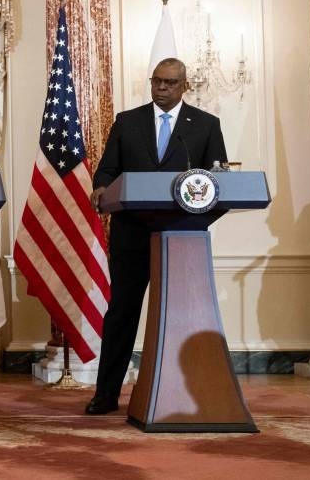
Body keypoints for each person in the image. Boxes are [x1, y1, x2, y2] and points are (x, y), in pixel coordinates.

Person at [85, 58, 227, 415]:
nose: (162, 88)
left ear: (184, 86)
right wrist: (101, 186)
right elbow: (107, 169)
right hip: (132, 233)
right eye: (157, 81)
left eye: (170, 83)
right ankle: (106, 394)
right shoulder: (127, 122)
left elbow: (217, 178)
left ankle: (185, 394)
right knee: (122, 312)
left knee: (182, 314)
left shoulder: (206, 125)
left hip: (181, 234)